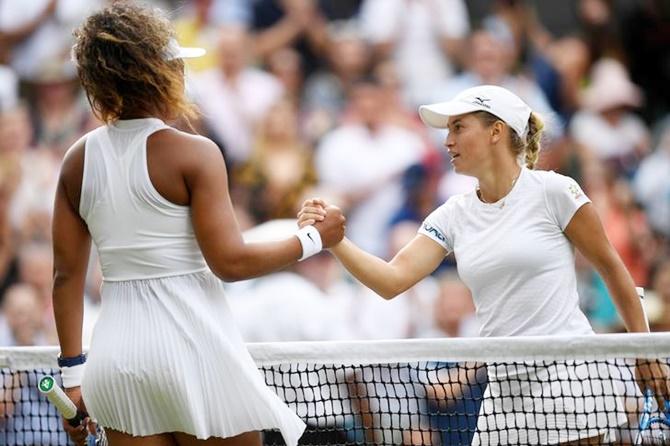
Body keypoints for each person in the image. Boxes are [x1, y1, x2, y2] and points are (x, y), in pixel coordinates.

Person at [298, 84, 670, 445]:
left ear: (496, 131)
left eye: (459, 127)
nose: (448, 141)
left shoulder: (555, 192)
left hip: (567, 377)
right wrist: (337, 242)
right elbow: (392, 280)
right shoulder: (453, 215)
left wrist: (646, 350)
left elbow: (613, 269)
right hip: (503, 387)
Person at [52, 3, 345, 446]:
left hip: (114, 362)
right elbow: (230, 262)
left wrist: (73, 376)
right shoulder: (196, 153)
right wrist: (312, 240)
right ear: (160, 72)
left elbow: (66, 277)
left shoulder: (75, 161)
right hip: (193, 350)